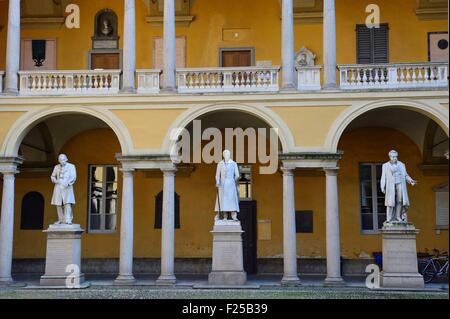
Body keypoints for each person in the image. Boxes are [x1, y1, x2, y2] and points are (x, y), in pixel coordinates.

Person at [380, 150, 417, 224]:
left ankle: (398, 216)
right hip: (391, 185)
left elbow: (405, 175)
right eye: (393, 157)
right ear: (390, 157)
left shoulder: (401, 164)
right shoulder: (385, 165)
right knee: (390, 202)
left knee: (399, 200)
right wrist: (382, 186)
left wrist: (411, 180)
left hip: (400, 183)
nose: (395, 158)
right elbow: (383, 177)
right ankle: (389, 218)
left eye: (396, 156)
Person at [51, 154, 77, 225]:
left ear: (66, 159)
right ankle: (61, 219)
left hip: (67, 186)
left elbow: (73, 176)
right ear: (59, 161)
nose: (62, 161)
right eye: (60, 160)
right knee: (58, 204)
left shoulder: (71, 166)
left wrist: (68, 183)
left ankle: (68, 219)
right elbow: (53, 176)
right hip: (58, 186)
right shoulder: (56, 167)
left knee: (67, 203)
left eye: (63, 160)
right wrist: (54, 180)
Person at [215, 150, 240, 222]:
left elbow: (237, 175)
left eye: (228, 154)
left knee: (232, 200)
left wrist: (232, 180)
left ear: (230, 155)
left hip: (231, 185)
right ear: (223, 155)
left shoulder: (233, 163)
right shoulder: (220, 164)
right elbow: (217, 175)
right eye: (225, 154)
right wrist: (217, 182)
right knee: (223, 200)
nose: (227, 155)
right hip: (222, 185)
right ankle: (224, 216)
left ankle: (234, 216)